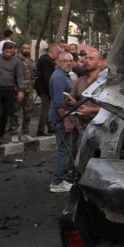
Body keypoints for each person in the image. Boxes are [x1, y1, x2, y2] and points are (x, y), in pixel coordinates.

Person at [67, 51, 103, 169]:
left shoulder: (105, 82)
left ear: (100, 63)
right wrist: (71, 100)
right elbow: (73, 97)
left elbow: (112, 109)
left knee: (92, 161)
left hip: (97, 128)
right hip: (79, 126)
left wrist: (91, 111)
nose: (86, 60)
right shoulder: (81, 80)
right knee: (75, 155)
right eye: (85, 58)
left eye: (91, 58)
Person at [48, 52, 75, 193]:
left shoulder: (63, 75)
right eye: (65, 61)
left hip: (63, 117)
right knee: (62, 151)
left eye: (71, 60)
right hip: (60, 118)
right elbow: (58, 103)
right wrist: (66, 121)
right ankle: (56, 183)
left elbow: (64, 97)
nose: (68, 63)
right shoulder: (58, 76)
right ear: (58, 62)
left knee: (64, 150)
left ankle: (60, 179)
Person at [0, 42, 24, 144]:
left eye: (11, 52)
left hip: (9, 90)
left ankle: (1, 134)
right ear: (2, 50)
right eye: (6, 52)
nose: (8, 54)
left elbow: (19, 76)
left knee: (6, 113)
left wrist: (21, 90)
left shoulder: (16, 61)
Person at [9, 43, 36, 142]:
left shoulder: (32, 61)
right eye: (24, 48)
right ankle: (14, 133)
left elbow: (34, 75)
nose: (26, 50)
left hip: (29, 91)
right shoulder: (16, 60)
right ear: (21, 49)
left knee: (28, 112)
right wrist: (17, 89)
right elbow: (12, 76)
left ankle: (25, 133)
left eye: (28, 48)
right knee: (15, 112)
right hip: (18, 91)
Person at [35, 45, 60, 136]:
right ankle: (41, 129)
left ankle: (50, 128)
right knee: (46, 109)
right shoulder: (47, 61)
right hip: (45, 89)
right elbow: (47, 78)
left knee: (48, 109)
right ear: (53, 52)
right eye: (57, 53)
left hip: (43, 88)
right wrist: (50, 91)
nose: (57, 56)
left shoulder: (44, 59)